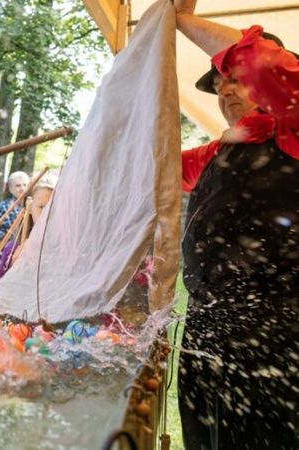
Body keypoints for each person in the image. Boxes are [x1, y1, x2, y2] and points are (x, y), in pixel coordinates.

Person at [174, 1, 298, 449]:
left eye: (237, 78)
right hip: (208, 328)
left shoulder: (293, 127)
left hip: (278, 335)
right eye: (223, 82)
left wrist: (181, 19)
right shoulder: (216, 152)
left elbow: (265, 63)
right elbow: (149, 167)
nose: (226, 88)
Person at [0, 178, 55, 281]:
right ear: (30, 208)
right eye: (42, 207)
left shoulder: (68, 247)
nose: (47, 213)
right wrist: (15, 267)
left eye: (53, 207)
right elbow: (1, 290)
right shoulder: (12, 249)